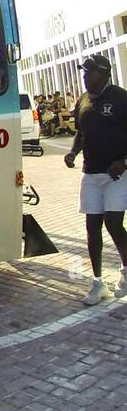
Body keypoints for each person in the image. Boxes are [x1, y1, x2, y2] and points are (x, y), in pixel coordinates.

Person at [64, 54, 127, 303]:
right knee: (92, 228)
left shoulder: (121, 98)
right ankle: (98, 282)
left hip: (117, 174)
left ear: (104, 73)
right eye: (84, 72)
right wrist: (72, 152)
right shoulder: (82, 101)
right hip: (90, 174)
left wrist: (124, 160)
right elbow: (81, 132)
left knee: (113, 223)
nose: (85, 76)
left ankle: (125, 272)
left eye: (90, 72)